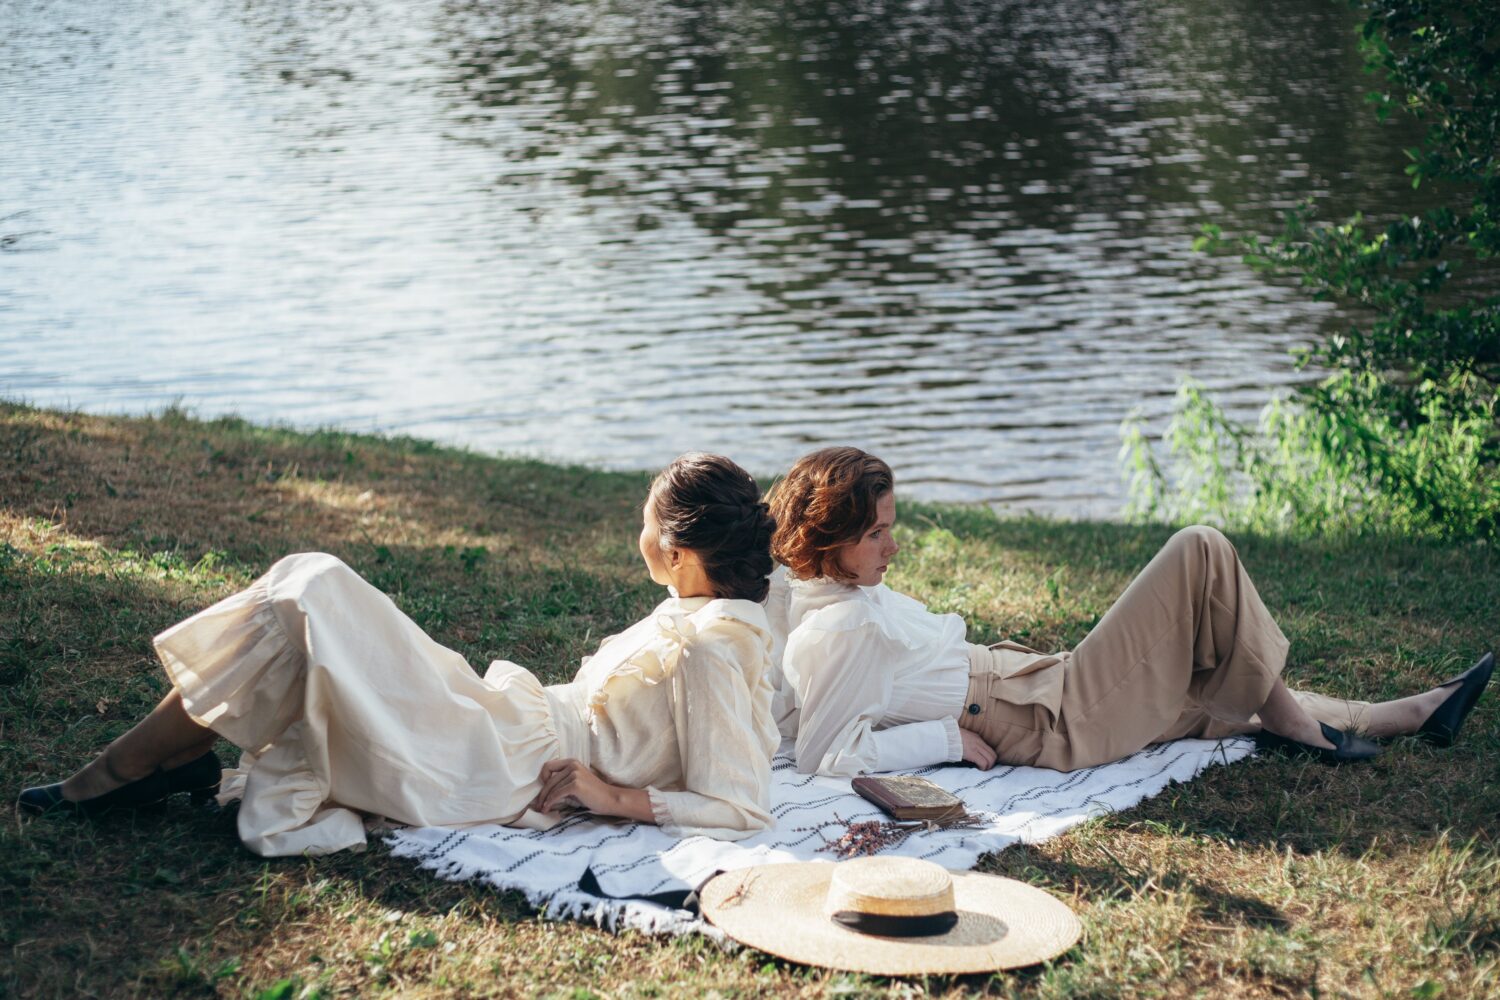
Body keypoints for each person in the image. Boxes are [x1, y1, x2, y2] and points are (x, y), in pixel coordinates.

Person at [19, 453, 783, 854]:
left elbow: (741, 805)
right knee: (305, 586)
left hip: (503, 764)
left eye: (646, 525)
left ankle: (120, 772)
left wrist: (611, 797)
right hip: (501, 723)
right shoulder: (696, 610)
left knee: (309, 593)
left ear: (677, 551)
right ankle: (141, 766)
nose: (639, 536)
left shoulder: (711, 645)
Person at [763, 446, 1493, 776]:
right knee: (1199, 551)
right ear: (828, 543)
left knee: (1216, 687)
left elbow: (775, 632)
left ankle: (1414, 714)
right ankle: (1301, 729)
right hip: (1046, 717)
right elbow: (826, 754)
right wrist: (945, 742)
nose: (895, 545)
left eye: (891, 524)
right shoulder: (842, 625)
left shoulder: (819, 591)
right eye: (876, 533)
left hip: (1035, 685)